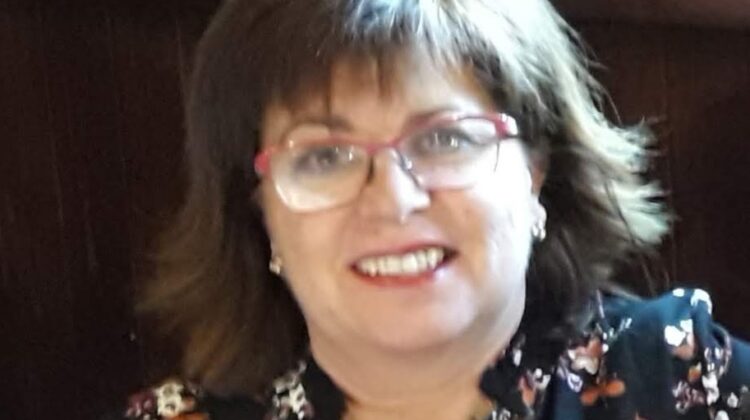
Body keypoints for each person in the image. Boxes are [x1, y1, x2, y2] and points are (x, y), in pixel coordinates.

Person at [112, 0, 750, 419]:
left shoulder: (680, 379)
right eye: (325, 156)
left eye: (445, 139)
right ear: (259, 212)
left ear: (536, 172)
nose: (393, 200)